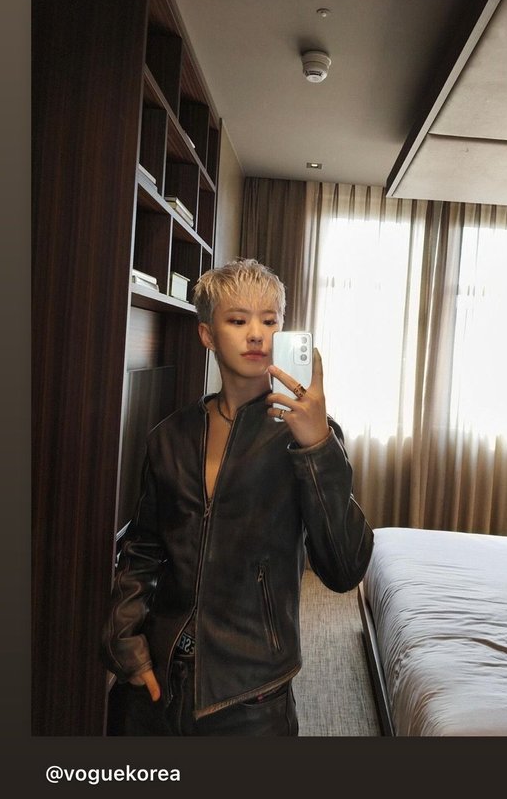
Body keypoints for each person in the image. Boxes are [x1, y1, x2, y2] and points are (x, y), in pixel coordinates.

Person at [103, 258, 374, 736]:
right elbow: (143, 548)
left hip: (253, 691)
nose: (256, 335)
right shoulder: (170, 436)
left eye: (269, 321)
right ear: (207, 334)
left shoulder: (307, 435)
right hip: (158, 678)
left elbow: (343, 568)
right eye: (237, 320)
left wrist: (316, 446)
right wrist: (124, 639)